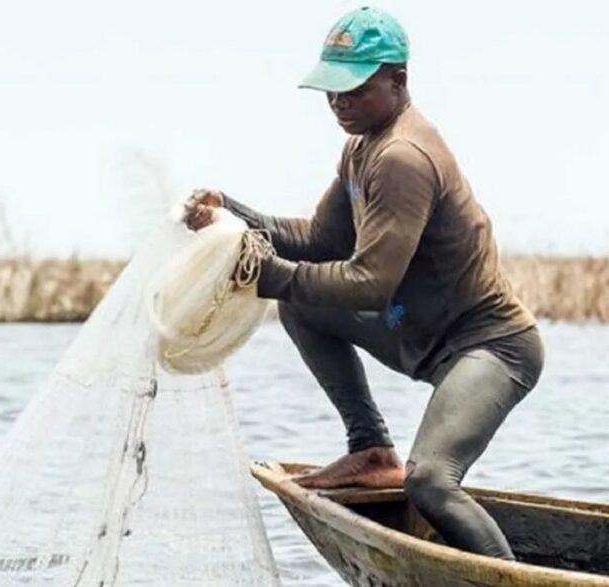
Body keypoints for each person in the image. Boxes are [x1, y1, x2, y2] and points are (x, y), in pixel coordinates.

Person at [183, 6, 543, 561]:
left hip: (489, 348)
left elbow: (371, 284)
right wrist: (233, 214)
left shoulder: (402, 156)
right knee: (301, 306)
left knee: (430, 482)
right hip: (415, 334)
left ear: (397, 80)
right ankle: (370, 448)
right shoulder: (361, 146)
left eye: (353, 88)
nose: (338, 101)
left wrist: (271, 275)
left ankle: (510, 578)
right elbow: (320, 239)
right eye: (331, 89)